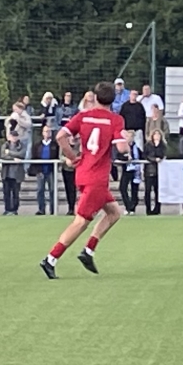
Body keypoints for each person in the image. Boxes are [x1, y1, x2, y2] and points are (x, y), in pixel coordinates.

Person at [41, 82, 128, 277]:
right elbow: (122, 148)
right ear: (113, 100)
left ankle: (88, 251)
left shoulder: (83, 116)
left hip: (83, 172)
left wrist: (72, 157)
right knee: (81, 222)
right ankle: (50, 258)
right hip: (97, 178)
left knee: (114, 212)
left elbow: (60, 136)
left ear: (95, 97)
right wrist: (127, 144)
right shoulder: (115, 120)